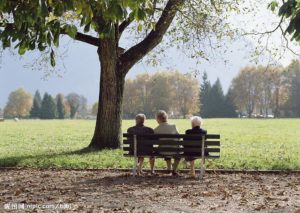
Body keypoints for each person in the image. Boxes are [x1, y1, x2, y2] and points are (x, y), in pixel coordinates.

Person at [154, 110, 181, 176]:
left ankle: (169, 168)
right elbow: (179, 138)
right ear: (166, 118)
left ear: (158, 119)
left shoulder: (156, 129)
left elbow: (153, 140)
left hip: (162, 151)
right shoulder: (173, 126)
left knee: (164, 147)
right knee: (178, 150)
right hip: (174, 150)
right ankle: (174, 170)